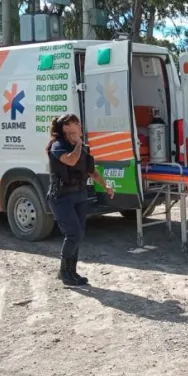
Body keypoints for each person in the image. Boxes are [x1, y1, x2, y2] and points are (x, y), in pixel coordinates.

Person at [46, 113, 113, 286]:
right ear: (66, 127)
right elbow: (71, 160)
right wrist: (79, 145)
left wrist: (105, 185)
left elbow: (92, 170)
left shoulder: (82, 147)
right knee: (73, 234)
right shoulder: (58, 145)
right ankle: (64, 271)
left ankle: (72, 272)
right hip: (61, 197)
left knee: (78, 235)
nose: (80, 126)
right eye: (76, 123)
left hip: (79, 196)